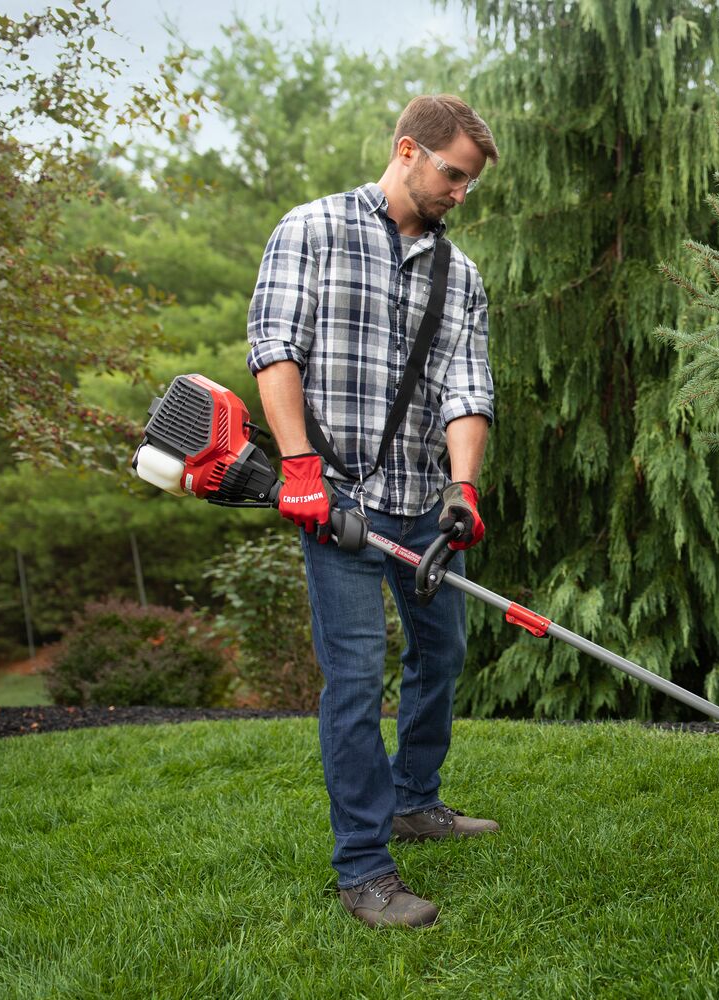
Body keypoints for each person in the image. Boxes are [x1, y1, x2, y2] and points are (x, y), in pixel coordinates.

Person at [246, 94, 499, 929]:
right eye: (453, 175)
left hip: (421, 506)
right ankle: (363, 868)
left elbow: (467, 387)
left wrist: (461, 487)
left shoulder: (458, 274)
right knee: (354, 681)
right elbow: (275, 347)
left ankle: (413, 799)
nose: (460, 193)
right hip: (337, 502)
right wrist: (300, 468)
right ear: (407, 150)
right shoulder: (310, 229)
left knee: (441, 654)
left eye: (468, 182)